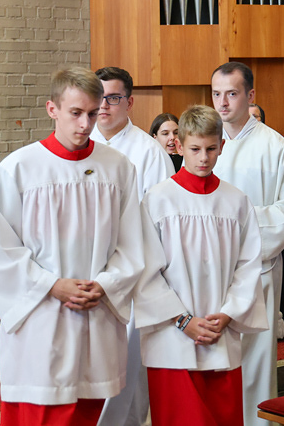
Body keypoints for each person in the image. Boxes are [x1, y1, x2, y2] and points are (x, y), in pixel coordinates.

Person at [0, 67, 145, 426]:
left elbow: (132, 243)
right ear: (52, 109)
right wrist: (52, 285)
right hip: (41, 318)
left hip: (96, 312)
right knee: (39, 412)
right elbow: (1, 250)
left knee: (87, 409)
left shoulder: (118, 168)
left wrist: (105, 284)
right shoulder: (19, 168)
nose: (86, 124)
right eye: (76, 113)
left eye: (92, 113)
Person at [135, 105, 267, 426]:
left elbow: (248, 266)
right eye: (195, 149)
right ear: (179, 146)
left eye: (210, 149)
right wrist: (183, 321)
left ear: (221, 146)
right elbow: (146, 271)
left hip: (220, 333)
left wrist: (229, 313)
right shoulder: (157, 200)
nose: (203, 158)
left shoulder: (236, 201)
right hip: (171, 338)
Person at [210, 62, 284, 426]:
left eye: (231, 94)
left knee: (255, 359)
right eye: (216, 94)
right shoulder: (207, 143)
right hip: (210, 267)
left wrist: (241, 231)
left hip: (257, 267)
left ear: (250, 96)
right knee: (215, 355)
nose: (223, 103)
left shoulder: (273, 146)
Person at [91, 66, 175, 426]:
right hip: (86, 270)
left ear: (130, 102)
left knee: (127, 370)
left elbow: (161, 221)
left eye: (113, 97)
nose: (104, 105)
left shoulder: (148, 152)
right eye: (99, 97)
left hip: (132, 273)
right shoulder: (82, 142)